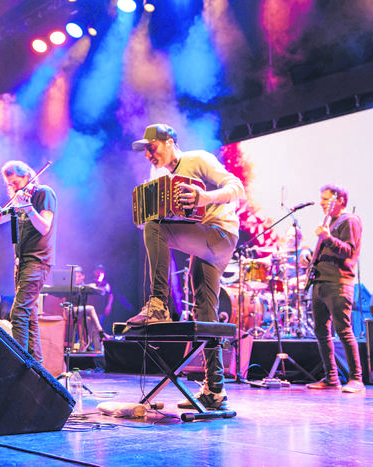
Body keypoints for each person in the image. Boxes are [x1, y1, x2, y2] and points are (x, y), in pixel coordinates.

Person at [126, 124, 245, 411]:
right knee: (206, 312)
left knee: (156, 229)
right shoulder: (163, 176)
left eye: (151, 148)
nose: (148, 155)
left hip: (220, 233)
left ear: (169, 142)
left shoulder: (198, 159)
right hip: (205, 240)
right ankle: (214, 390)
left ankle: (158, 304)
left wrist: (205, 198)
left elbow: (237, 188)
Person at [303, 184, 364, 393]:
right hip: (320, 283)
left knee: (343, 330)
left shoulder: (350, 220)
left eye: (326, 200)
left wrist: (327, 237)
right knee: (321, 331)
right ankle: (331, 378)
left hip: (338, 283)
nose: (321, 203)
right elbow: (327, 251)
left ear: (339, 200)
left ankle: (357, 379)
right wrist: (310, 259)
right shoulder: (330, 222)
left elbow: (349, 251)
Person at [1, 160, 57, 364]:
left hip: (38, 260)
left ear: (27, 176)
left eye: (15, 183)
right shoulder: (19, 200)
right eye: (8, 184)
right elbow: (0, 219)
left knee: (19, 312)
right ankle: (36, 366)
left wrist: (27, 207)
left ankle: (19, 365)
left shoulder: (43, 193)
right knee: (30, 316)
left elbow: (44, 227)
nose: (12, 188)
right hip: (22, 262)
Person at [71, 266, 110, 353]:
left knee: (90, 320)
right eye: (75, 276)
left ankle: (97, 349)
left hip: (80, 312)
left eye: (79, 276)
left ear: (83, 276)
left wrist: (97, 288)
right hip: (71, 311)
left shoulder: (85, 286)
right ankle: (101, 332)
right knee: (91, 308)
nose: (77, 278)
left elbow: (103, 292)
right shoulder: (70, 286)